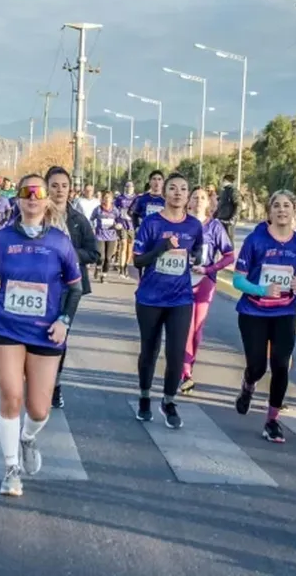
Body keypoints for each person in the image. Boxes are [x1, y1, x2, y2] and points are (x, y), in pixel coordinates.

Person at [0, 174, 82, 496]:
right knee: (11, 396)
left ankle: (27, 438)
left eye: (38, 192)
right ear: (16, 199)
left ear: (46, 200)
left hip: (46, 332)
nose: (32, 197)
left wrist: (64, 321)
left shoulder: (59, 241)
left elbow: (76, 288)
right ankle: (11, 468)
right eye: (26, 192)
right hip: (6, 327)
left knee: (39, 408)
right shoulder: (0, 240)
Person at [232, 190, 296, 444]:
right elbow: (238, 279)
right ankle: (248, 385)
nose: (282, 210)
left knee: (281, 364)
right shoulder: (255, 241)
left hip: (286, 312)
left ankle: (272, 420)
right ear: (269, 212)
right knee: (257, 366)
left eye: (287, 206)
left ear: (295, 211)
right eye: (276, 206)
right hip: (253, 312)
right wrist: (261, 290)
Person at [132, 173, 203, 428]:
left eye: (183, 189)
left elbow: (197, 251)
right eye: (172, 188)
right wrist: (161, 247)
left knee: (175, 354)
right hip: (150, 297)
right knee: (149, 351)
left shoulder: (194, 225)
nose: (177, 193)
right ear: (165, 193)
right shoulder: (151, 223)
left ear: (187, 196)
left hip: (180, 298)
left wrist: (195, 261)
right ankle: (144, 396)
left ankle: (169, 401)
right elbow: (137, 260)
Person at [45, 166, 100, 409]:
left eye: (64, 186)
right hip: (39, 284)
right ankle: (37, 381)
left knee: (59, 336)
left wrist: (67, 254)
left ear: (70, 189)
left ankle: (55, 385)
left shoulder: (78, 220)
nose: (59, 190)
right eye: (54, 185)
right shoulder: (37, 214)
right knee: (36, 334)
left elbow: (94, 253)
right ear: (46, 187)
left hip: (69, 287)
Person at [181, 185, 235, 392]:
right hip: (182, 281)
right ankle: (186, 372)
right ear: (189, 201)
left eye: (202, 197)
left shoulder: (215, 227)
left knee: (197, 329)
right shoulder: (181, 223)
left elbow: (229, 255)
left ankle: (190, 363)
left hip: (205, 282)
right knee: (186, 326)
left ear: (209, 202)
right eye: (194, 197)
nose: (198, 201)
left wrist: (209, 269)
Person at [90, 191, 127, 283]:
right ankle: (98, 267)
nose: (107, 199)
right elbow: (91, 219)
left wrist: (119, 224)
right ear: (102, 199)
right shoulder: (98, 209)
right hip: (100, 235)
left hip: (111, 236)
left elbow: (120, 219)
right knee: (101, 257)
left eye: (109, 198)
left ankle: (104, 275)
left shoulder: (114, 210)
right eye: (105, 197)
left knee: (108, 258)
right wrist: (93, 227)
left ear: (112, 199)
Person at [114, 181, 137, 278]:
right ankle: (122, 268)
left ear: (133, 188)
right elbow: (114, 209)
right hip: (122, 224)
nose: (129, 188)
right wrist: (116, 221)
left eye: (131, 186)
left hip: (132, 225)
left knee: (130, 248)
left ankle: (126, 266)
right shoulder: (120, 198)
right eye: (127, 186)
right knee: (123, 245)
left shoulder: (136, 199)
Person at [215, 173, 240, 243]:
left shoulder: (233, 191)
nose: (222, 182)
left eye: (223, 180)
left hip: (228, 221)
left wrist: (233, 219)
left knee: (228, 241)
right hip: (221, 219)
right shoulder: (224, 191)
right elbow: (220, 206)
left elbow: (238, 205)